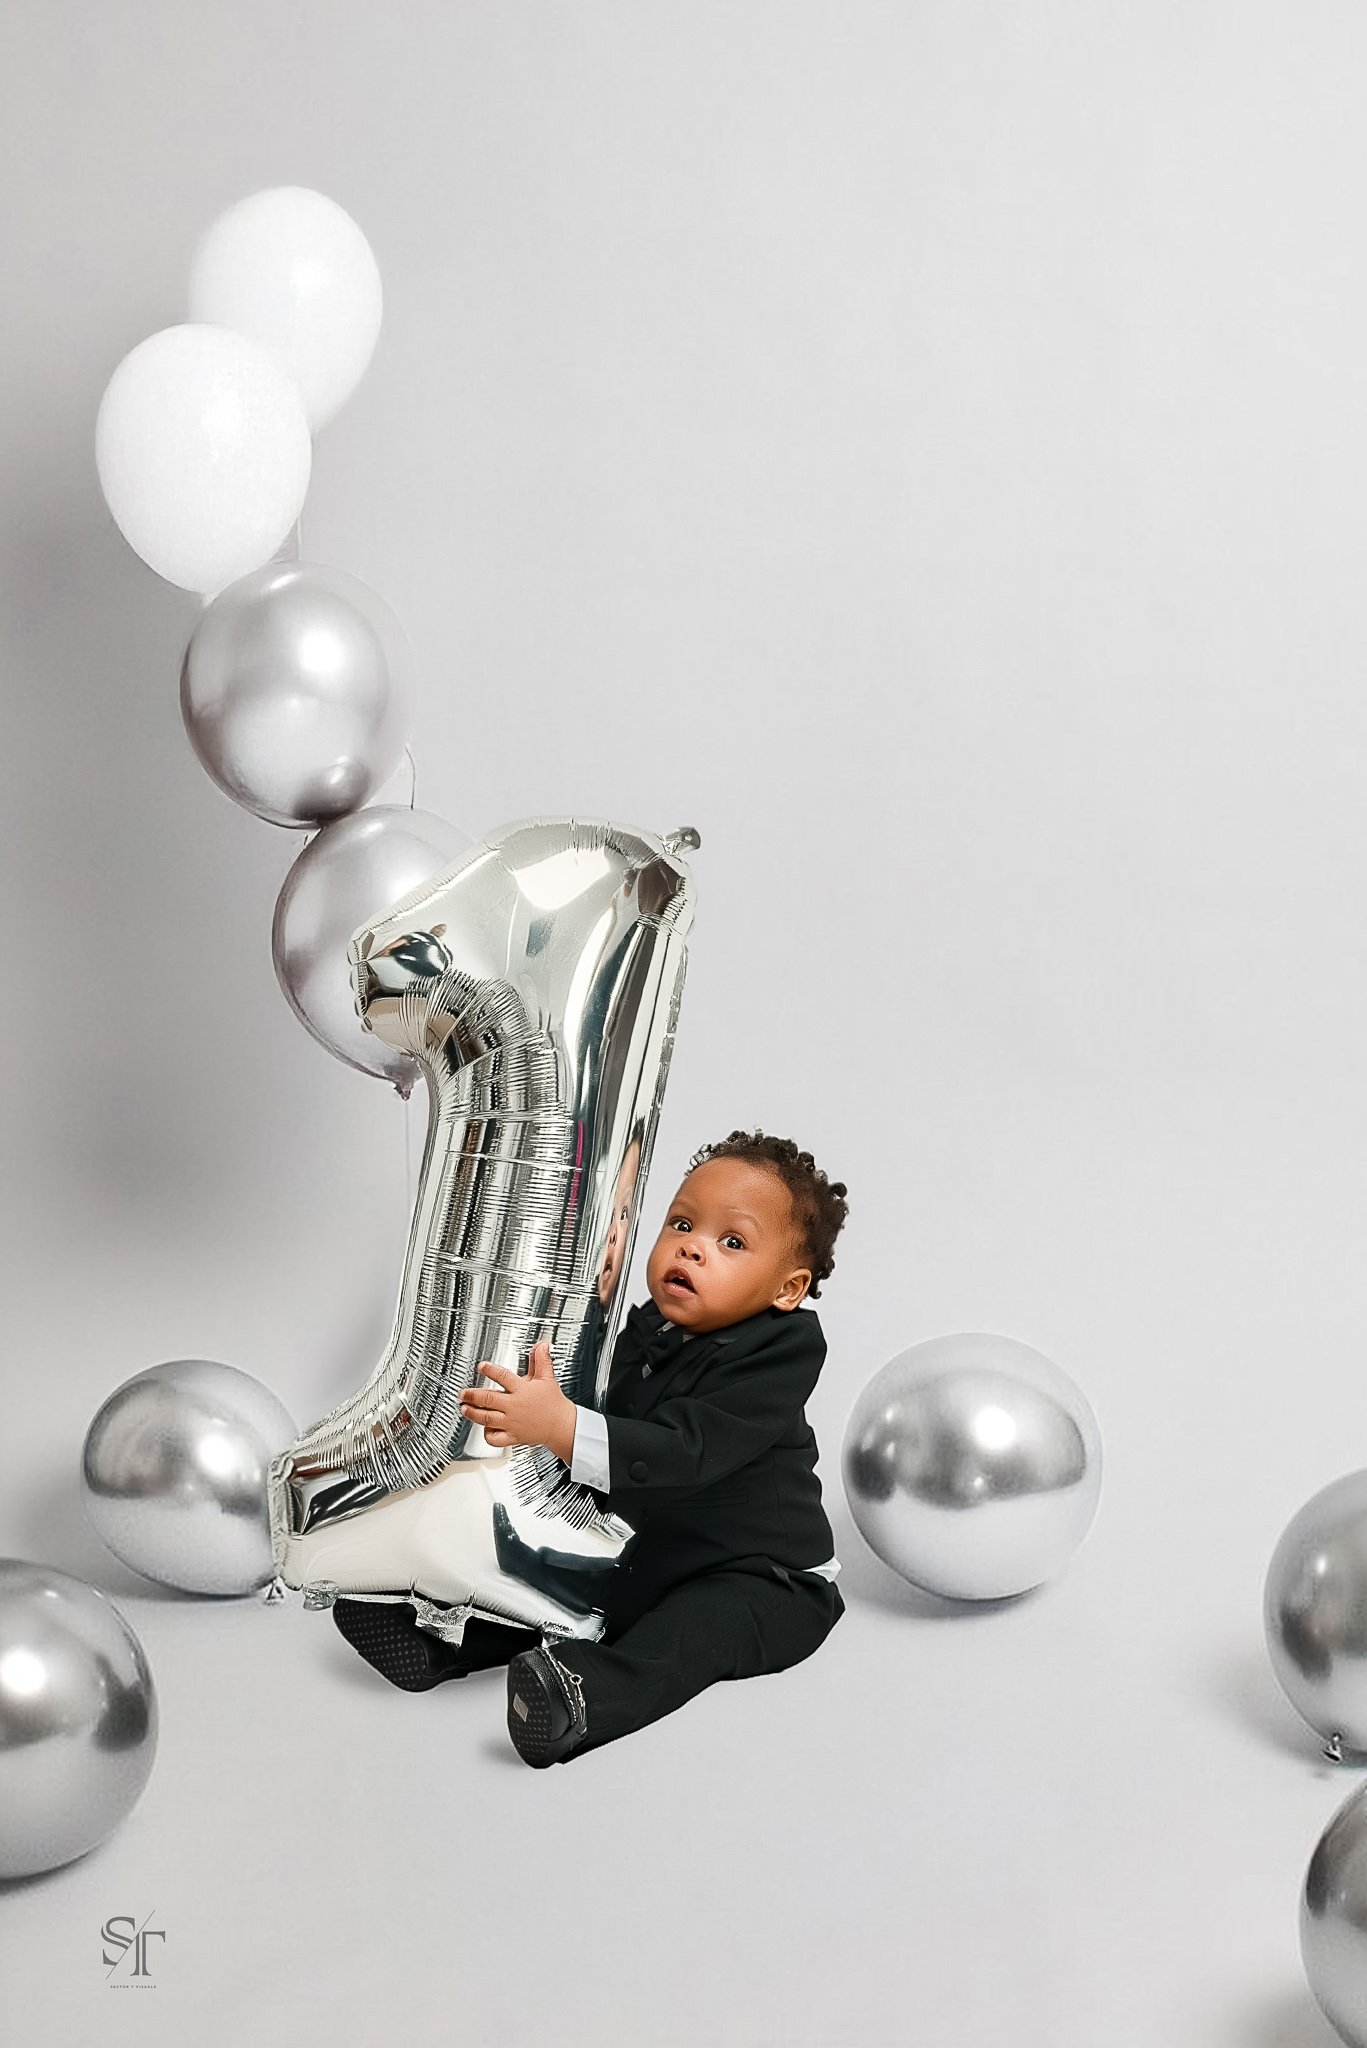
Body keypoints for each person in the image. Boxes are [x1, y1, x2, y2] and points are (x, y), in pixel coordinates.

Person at [332, 1130, 849, 1769]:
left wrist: (563, 1426)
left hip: (765, 1577)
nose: (692, 1245)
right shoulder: (649, 1329)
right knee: (574, 1588)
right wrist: (542, 1405)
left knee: (690, 1631)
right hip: (655, 1549)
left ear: (787, 1289)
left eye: (732, 1242)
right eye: (681, 1222)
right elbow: (603, 1413)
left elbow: (685, 1452)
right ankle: (445, 1641)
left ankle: (582, 1698)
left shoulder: (782, 1353)